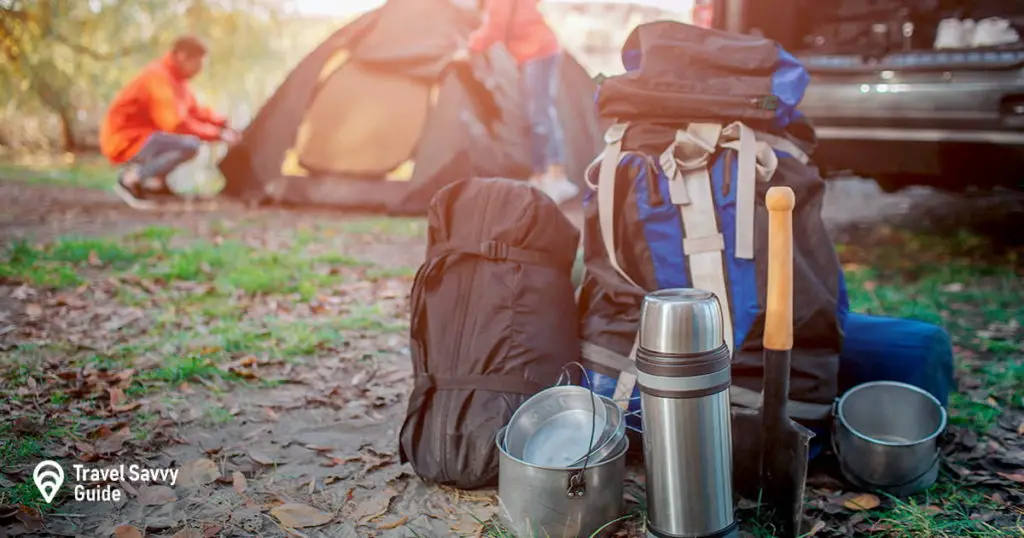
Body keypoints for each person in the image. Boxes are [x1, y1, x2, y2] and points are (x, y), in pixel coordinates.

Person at [453, 0, 579, 205]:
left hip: (539, 50)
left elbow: (496, 26)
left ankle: (556, 176)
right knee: (534, 114)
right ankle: (540, 176)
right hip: (532, 51)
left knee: (540, 114)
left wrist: (470, 46)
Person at [100, 35, 240, 209]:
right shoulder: (158, 77)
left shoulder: (177, 80)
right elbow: (175, 124)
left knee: (186, 143)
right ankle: (131, 179)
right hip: (124, 140)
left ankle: (155, 185)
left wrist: (222, 123)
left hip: (144, 136)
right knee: (190, 145)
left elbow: (194, 111)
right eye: (197, 64)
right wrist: (217, 135)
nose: (199, 70)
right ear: (182, 56)